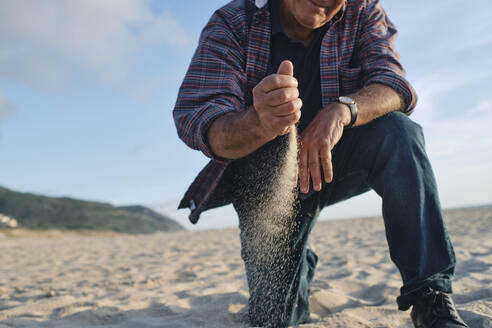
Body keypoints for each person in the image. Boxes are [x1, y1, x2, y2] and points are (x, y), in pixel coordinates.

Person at [173, 0, 469, 327]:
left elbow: (395, 85)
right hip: (266, 183)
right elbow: (196, 117)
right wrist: (259, 123)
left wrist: (341, 111)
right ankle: (297, 260)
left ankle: (430, 296)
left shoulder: (363, 10)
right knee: (275, 319)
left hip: (336, 159)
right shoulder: (233, 21)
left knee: (400, 133)